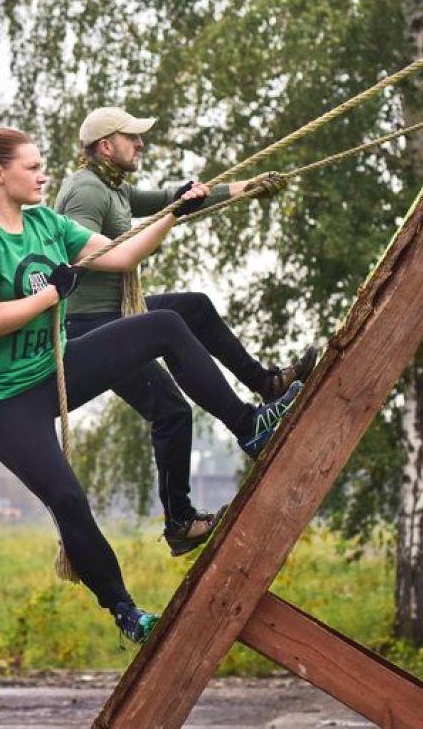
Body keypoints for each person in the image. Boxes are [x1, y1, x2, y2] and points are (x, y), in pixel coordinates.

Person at [0, 126, 303, 644]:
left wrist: (174, 214)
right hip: (4, 400)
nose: (43, 174)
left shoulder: (47, 223)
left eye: (42, 164)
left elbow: (122, 255)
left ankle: (250, 426)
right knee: (68, 500)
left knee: (167, 324)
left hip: (55, 368)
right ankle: (126, 612)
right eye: (32, 167)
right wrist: (50, 296)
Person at [55, 106, 318, 558]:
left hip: (116, 315)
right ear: (105, 146)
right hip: (91, 329)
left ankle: (265, 386)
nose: (140, 144)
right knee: (172, 345)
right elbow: (88, 256)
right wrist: (172, 215)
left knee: (189, 320)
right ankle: (249, 426)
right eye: (131, 138)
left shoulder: (112, 188)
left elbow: (169, 201)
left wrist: (244, 187)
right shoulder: (84, 191)